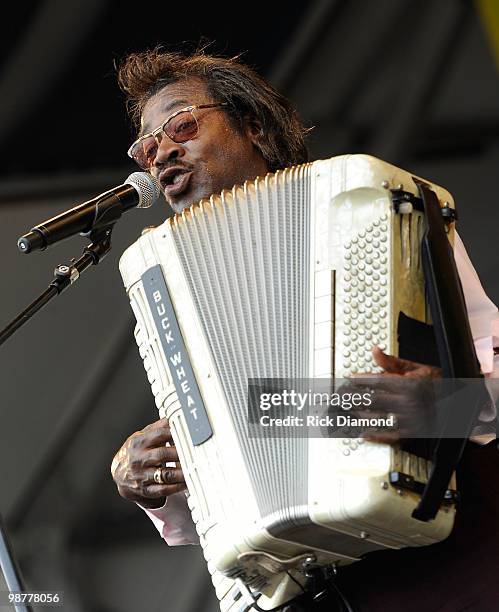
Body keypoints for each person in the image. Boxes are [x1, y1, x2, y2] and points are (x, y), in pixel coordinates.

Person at [111, 47, 499, 610]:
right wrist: (151, 482)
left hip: (457, 558)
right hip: (320, 590)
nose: (163, 151)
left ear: (254, 128)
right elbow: (234, 483)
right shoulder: (168, 284)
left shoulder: (372, 206)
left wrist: (441, 406)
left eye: (184, 125)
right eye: (148, 148)